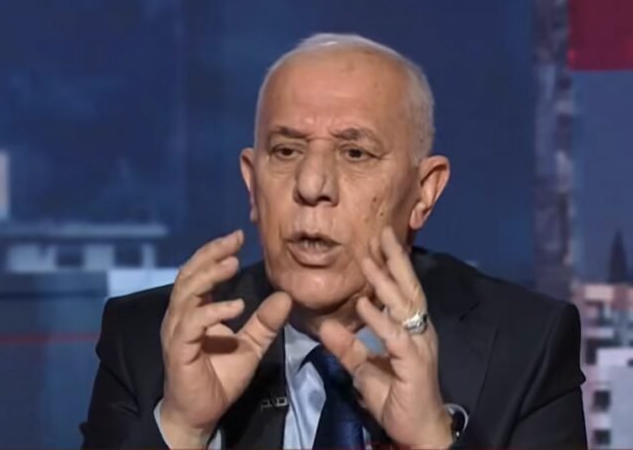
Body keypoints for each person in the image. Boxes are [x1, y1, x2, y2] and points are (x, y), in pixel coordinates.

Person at [80, 33, 586, 449]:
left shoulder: (524, 348)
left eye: (355, 153)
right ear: (253, 185)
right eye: (286, 151)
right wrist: (183, 428)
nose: (312, 185)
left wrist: (433, 439)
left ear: (423, 193)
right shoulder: (147, 343)